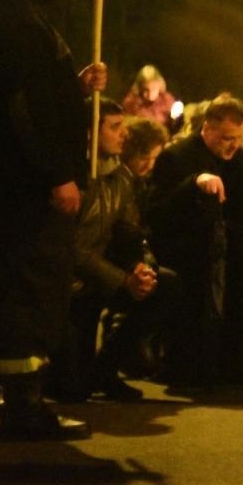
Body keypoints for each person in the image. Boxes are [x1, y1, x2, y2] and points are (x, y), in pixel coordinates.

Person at [0, 0, 108, 439]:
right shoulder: (23, 24)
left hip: (17, 183)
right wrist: (59, 175)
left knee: (26, 287)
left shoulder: (6, 19)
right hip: (30, 187)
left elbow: (36, 98)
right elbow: (28, 113)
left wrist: (74, 87)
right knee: (32, 288)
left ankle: (25, 400)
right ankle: (25, 406)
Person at [147, 96, 243, 387]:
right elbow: (156, 211)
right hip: (189, 252)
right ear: (207, 128)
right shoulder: (176, 157)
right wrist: (192, 184)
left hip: (230, 252)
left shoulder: (241, 160)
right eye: (226, 138)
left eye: (238, 138)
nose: (233, 145)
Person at [66, 111, 173, 402]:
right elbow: (74, 249)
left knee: (163, 286)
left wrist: (141, 268)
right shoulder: (79, 177)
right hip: (73, 281)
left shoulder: (120, 180)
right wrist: (122, 278)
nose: (122, 134)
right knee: (72, 390)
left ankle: (105, 368)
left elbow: (130, 232)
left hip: (102, 274)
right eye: (115, 127)